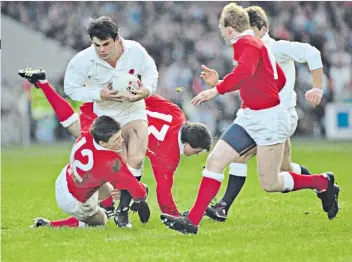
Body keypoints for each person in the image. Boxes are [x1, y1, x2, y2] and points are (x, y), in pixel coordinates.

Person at [160, 3, 339, 235]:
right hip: (251, 115)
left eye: (221, 28)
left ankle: (322, 182)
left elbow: (245, 73)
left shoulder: (247, 43)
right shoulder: (253, 44)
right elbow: (279, 79)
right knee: (215, 160)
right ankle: (192, 221)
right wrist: (255, 91)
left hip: (269, 121)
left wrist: (218, 89)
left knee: (271, 183)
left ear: (230, 29)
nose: (220, 32)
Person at [18, 67, 212, 225]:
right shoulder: (168, 157)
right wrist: (176, 216)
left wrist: (119, 90)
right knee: (103, 207)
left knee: (75, 126)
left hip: (109, 110)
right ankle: (118, 211)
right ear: (188, 143)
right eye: (196, 151)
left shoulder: (177, 114)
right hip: (109, 140)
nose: (195, 155)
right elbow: (162, 192)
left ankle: (43, 84)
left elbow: (146, 96)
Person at [205, 5, 340, 223]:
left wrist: (317, 87)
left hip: (276, 117)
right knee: (285, 169)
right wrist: (219, 84)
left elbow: (312, 52)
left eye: (249, 29)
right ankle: (324, 186)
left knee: (240, 155)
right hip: (264, 116)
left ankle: (222, 206)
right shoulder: (248, 48)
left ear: (262, 28)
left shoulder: (273, 48)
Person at [63, 16, 158, 227]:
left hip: (134, 110)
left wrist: (147, 90)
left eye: (106, 44)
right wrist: (100, 94)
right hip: (106, 117)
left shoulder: (135, 50)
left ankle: (122, 213)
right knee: (115, 169)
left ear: (117, 39)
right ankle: (137, 196)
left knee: (137, 159)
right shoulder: (83, 60)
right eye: (97, 45)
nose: (102, 50)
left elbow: (151, 71)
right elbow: (70, 88)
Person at [31, 115, 150, 228]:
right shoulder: (110, 161)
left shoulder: (87, 134)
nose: (122, 140)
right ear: (103, 143)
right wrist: (141, 198)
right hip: (74, 200)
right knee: (101, 220)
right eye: (116, 139)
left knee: (110, 189)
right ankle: (51, 224)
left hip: (65, 178)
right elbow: (137, 189)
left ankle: (106, 205)